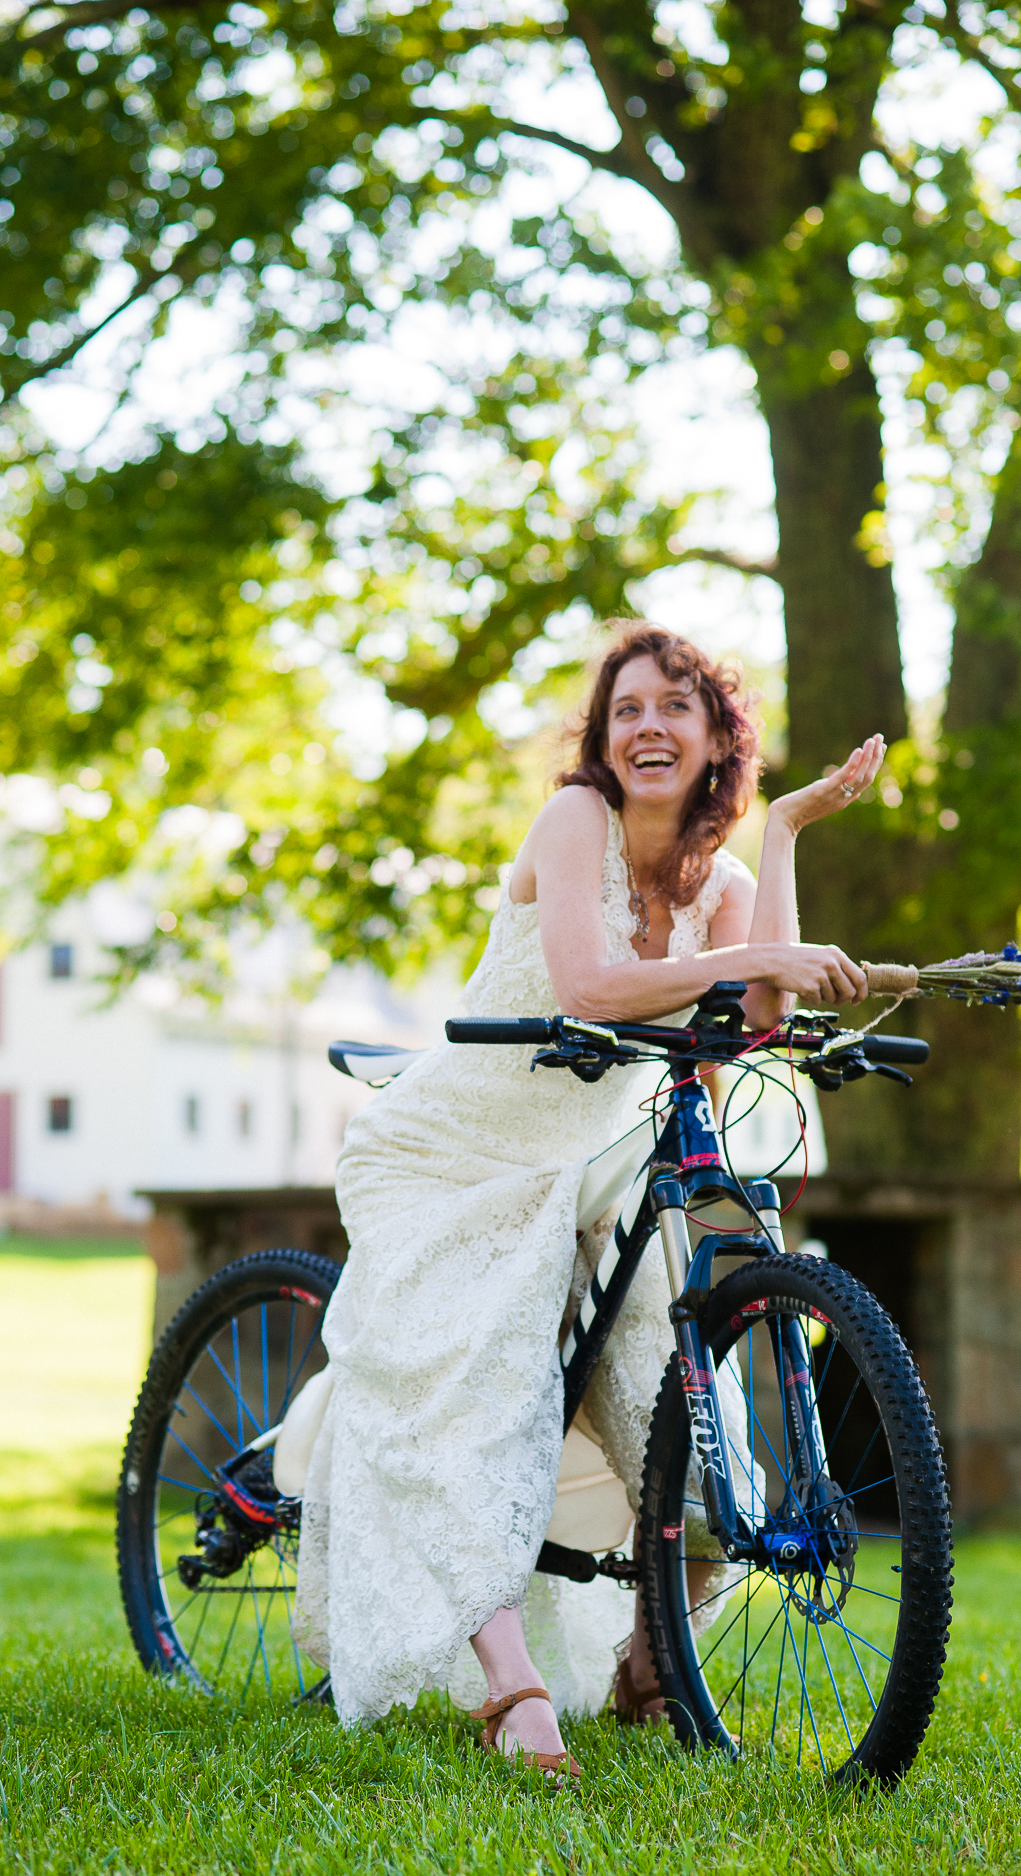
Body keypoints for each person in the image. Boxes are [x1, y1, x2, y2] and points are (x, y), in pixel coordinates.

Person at [294, 621, 883, 1778]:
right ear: (603, 741)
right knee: (476, 1385)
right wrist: (738, 970)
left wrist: (787, 826)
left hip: (584, 1171)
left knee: (672, 1402)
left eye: (676, 708)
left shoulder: (725, 881)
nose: (648, 727)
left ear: (718, 738)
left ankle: (650, 1658)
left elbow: (759, 1010)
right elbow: (593, 985)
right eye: (627, 710)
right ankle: (512, 1693)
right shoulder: (575, 822)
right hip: (451, 1152)